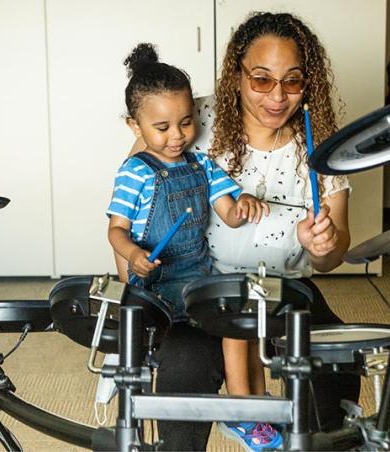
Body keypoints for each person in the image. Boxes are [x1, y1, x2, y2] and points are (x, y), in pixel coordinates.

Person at [122, 12, 361, 451]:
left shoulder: (322, 141)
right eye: (261, 80)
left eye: (292, 81)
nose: (277, 96)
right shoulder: (189, 118)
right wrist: (136, 288)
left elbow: (332, 255)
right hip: (199, 287)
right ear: (237, 75)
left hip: (284, 288)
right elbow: (133, 200)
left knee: (334, 368)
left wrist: (323, 244)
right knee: (183, 368)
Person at [108, 43, 284, 451]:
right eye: (162, 127)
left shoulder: (201, 164)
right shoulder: (134, 172)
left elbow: (229, 213)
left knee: (242, 316)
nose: (178, 136)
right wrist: (133, 255)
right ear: (134, 126)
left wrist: (244, 204)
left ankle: (252, 405)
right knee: (230, 323)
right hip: (157, 286)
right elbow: (115, 231)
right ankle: (244, 412)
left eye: (186, 123)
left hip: (198, 278)